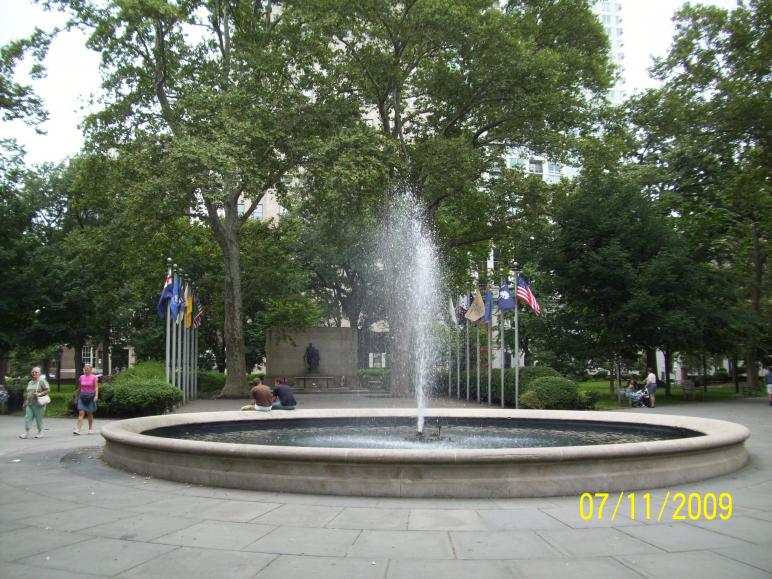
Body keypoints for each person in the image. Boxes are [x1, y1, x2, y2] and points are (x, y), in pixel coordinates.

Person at [20, 366, 50, 439]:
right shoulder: (30, 382)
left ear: (39, 373)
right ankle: (26, 433)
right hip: (30, 403)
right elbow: (27, 393)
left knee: (39, 418)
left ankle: (40, 432)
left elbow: (47, 390)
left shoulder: (42, 381)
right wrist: (25, 402)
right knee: (27, 418)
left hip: (38, 404)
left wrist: (40, 394)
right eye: (33, 372)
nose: (34, 373)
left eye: (36, 372)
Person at [73, 364, 99, 434]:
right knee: (81, 413)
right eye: (85, 368)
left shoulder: (94, 377)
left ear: (90, 369)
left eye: (87, 368)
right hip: (82, 396)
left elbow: (96, 387)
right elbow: (79, 387)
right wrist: (76, 396)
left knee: (89, 413)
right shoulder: (81, 377)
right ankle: (78, 429)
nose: (86, 370)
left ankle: (90, 428)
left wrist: (96, 396)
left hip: (90, 396)